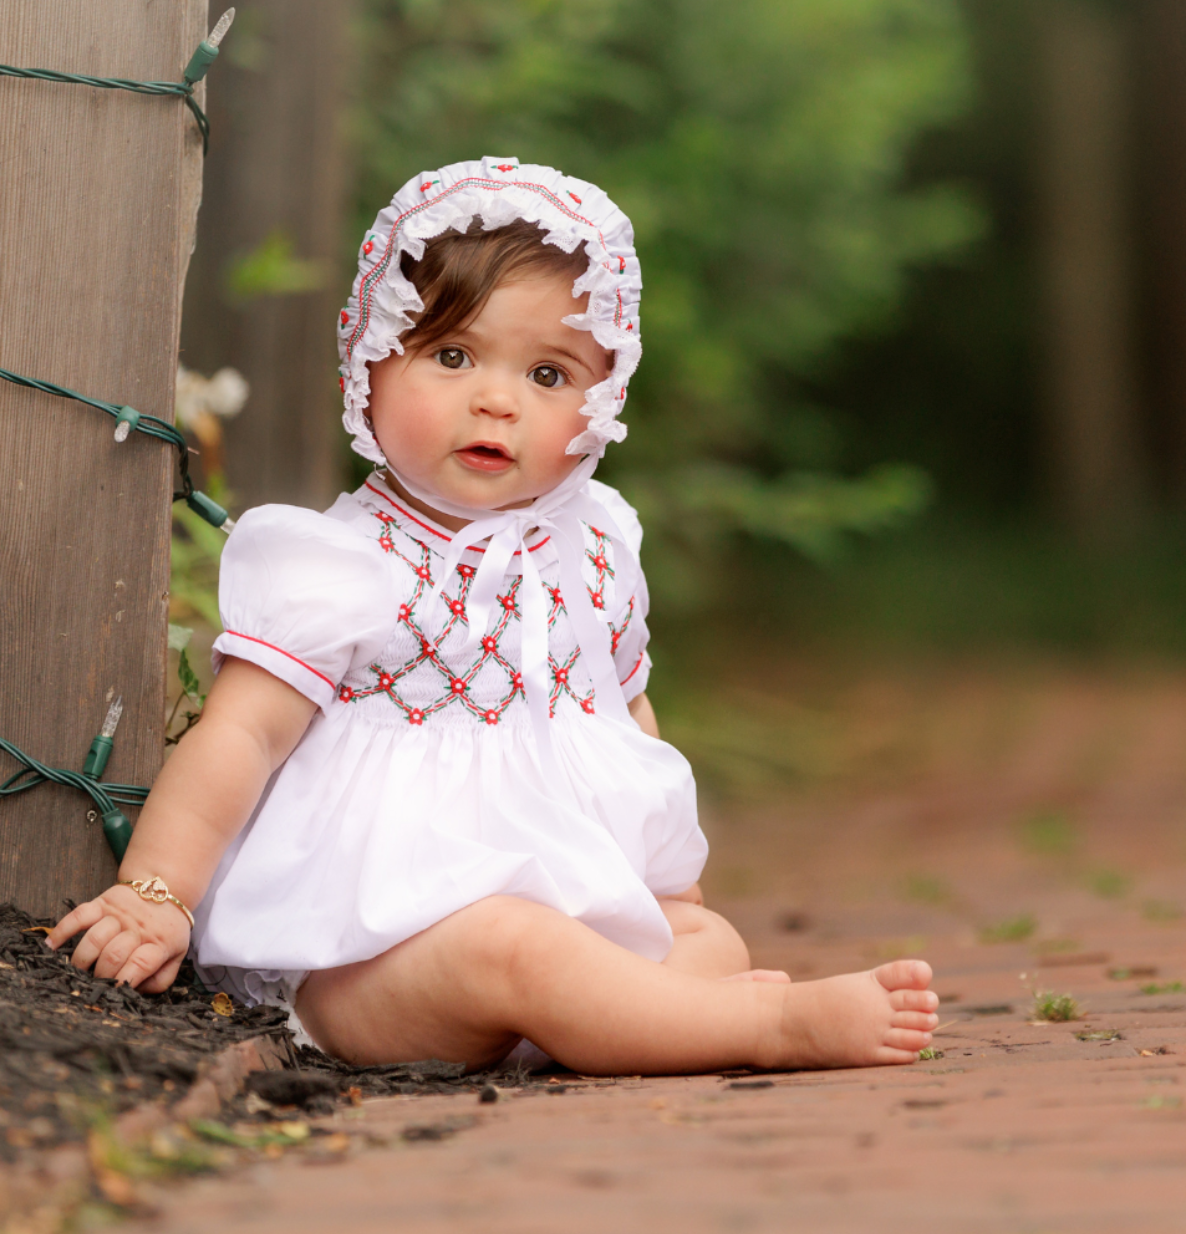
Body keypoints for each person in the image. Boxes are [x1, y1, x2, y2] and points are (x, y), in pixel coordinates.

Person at [49, 158, 938, 1074]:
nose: (497, 399)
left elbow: (628, 724)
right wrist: (156, 892)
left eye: (550, 374)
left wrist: (670, 889)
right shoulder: (340, 564)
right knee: (512, 947)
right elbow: (241, 739)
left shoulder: (597, 549)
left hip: (570, 911)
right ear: (370, 360)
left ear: (602, 403)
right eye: (452, 355)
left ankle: (627, 1013)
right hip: (379, 958)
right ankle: (763, 1030)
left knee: (707, 943)